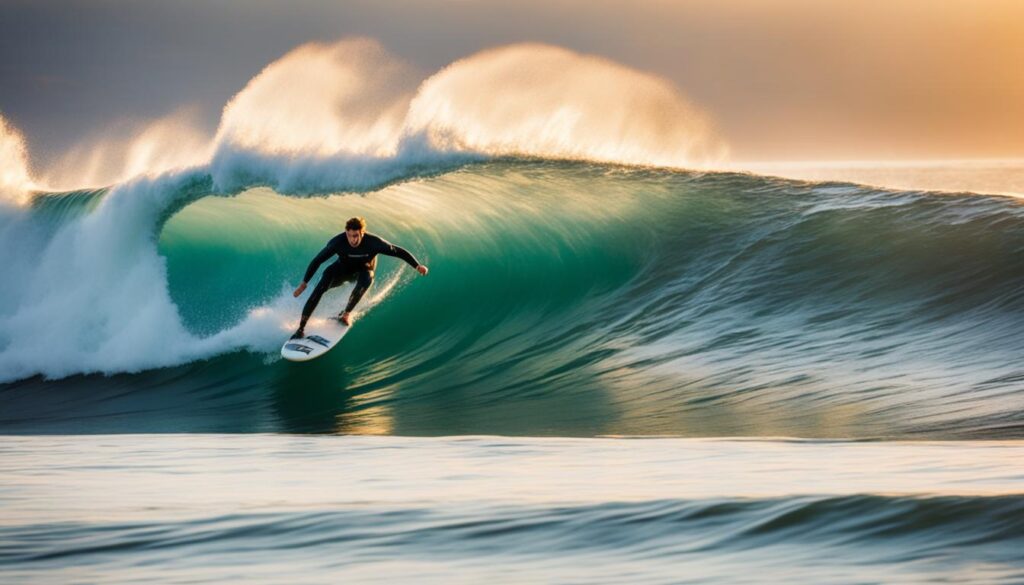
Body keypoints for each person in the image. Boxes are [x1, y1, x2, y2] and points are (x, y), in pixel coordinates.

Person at [291, 216, 428, 338]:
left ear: (362, 233)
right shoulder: (337, 242)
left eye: (356, 235)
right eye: (349, 235)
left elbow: (398, 251)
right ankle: (301, 329)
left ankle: (345, 314)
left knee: (366, 280)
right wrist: (304, 283)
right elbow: (317, 260)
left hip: (364, 270)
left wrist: (417, 266)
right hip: (342, 270)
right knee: (319, 288)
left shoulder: (374, 242)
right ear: (346, 233)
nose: (352, 239)